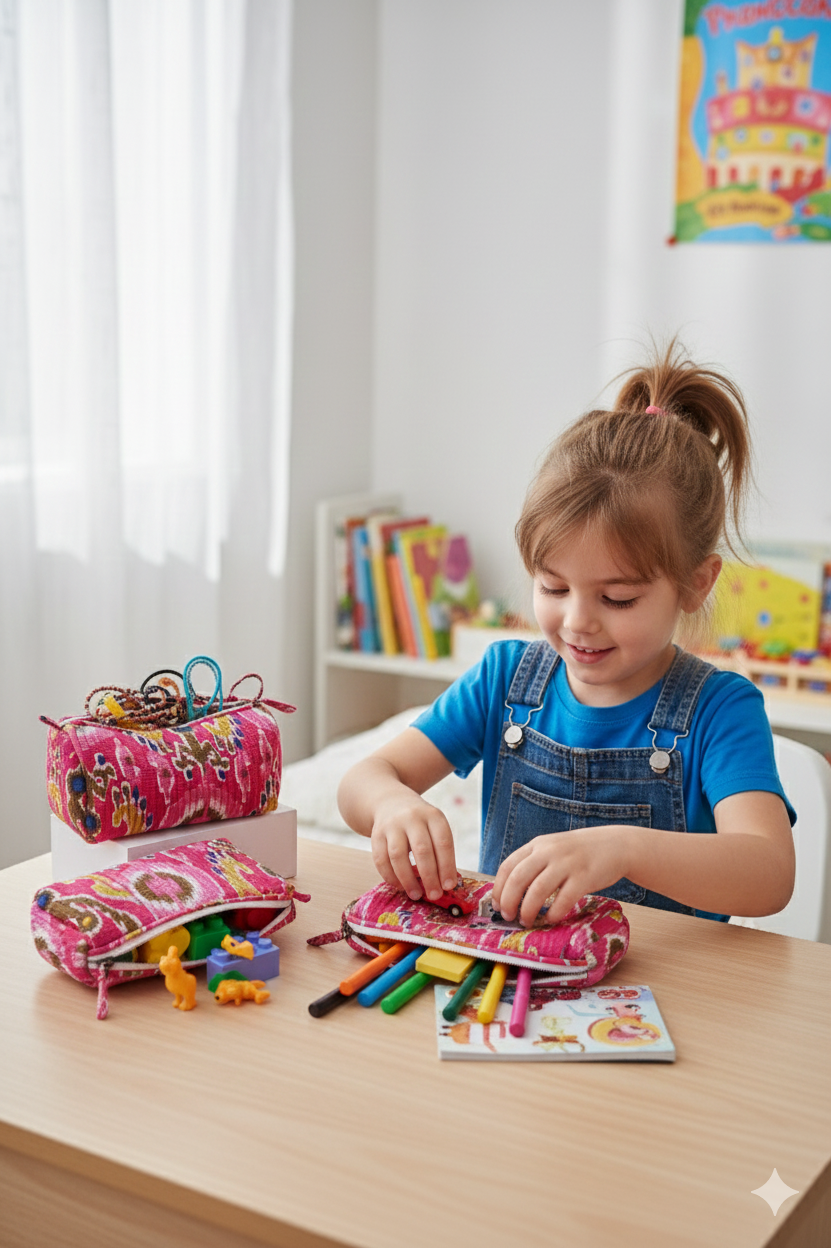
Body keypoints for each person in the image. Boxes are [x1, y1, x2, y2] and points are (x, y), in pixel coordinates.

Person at [337, 341, 796, 928]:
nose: (578, 620)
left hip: (657, 1005)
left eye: (618, 597)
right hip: (515, 982)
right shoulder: (504, 679)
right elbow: (362, 781)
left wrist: (623, 849)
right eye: (553, 587)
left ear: (695, 584)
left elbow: (769, 873)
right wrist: (392, 802)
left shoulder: (719, 710)